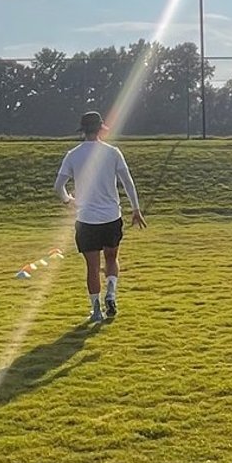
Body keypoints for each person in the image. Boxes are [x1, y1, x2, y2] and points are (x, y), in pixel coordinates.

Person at [54, 111, 145, 324]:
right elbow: (128, 182)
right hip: (111, 217)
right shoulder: (113, 152)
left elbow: (58, 186)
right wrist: (136, 209)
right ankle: (111, 293)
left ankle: (96, 310)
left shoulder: (73, 155)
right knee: (112, 258)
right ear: (101, 128)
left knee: (92, 267)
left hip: (86, 219)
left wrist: (68, 200)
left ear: (82, 130)